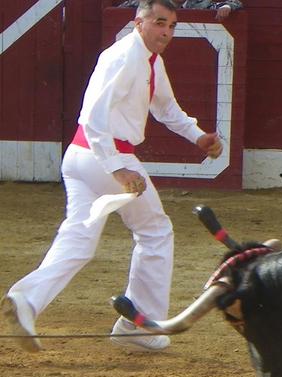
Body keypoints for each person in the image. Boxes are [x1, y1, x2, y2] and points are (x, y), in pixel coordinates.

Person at [1, 0, 222, 353]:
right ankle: (139, 326)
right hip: (107, 155)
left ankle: (26, 300)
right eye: (160, 23)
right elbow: (93, 116)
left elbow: (165, 108)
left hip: (80, 157)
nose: (166, 32)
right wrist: (117, 167)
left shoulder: (148, 59)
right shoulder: (124, 58)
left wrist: (198, 136)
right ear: (139, 22)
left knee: (79, 239)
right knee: (155, 231)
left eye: (172, 26)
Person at [120, 0, 243, 22]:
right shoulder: (155, 2)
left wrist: (227, 7)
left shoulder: (199, 3)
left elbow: (236, 2)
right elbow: (119, 10)